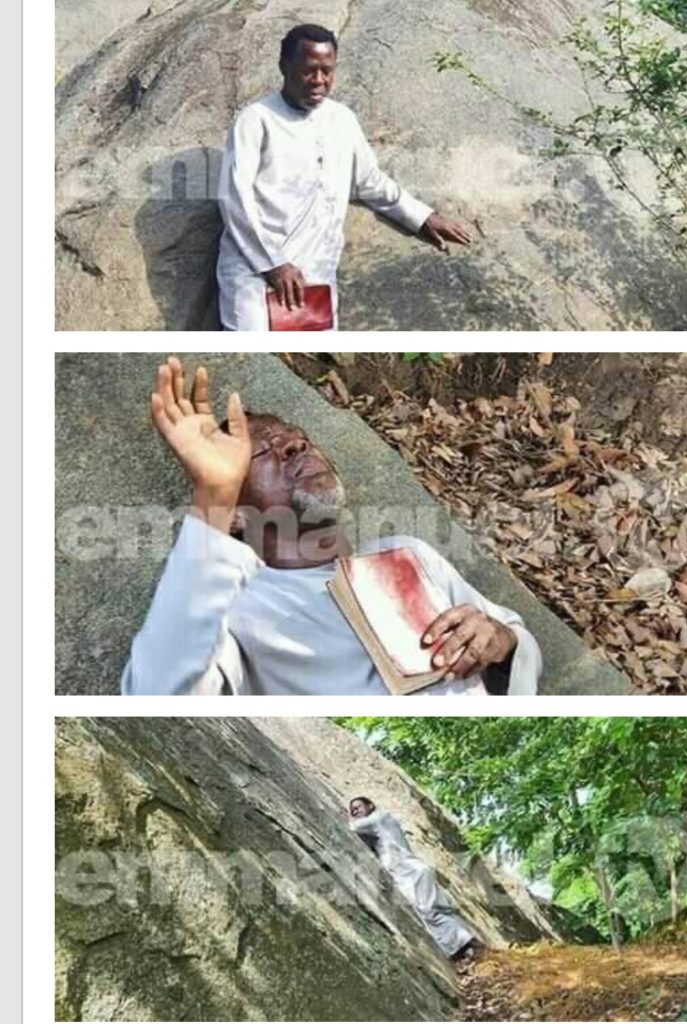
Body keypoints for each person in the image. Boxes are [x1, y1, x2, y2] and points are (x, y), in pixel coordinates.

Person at [121, 358, 542, 696]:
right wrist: (212, 498)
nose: (295, 444)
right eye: (260, 453)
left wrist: (501, 640)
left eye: (297, 435)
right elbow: (156, 693)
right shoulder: (233, 609)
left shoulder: (407, 552)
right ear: (235, 515)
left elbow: (520, 645)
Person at [216, 23, 472, 330]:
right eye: (309, 70)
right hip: (254, 275)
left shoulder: (342, 120)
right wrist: (273, 263)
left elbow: (369, 182)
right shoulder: (256, 120)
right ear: (284, 66)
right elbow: (234, 197)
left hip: (315, 275)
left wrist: (423, 217)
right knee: (253, 360)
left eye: (328, 71)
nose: (319, 81)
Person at [349, 796, 480, 960]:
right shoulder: (384, 822)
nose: (354, 811)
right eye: (352, 809)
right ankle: (460, 949)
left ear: (370, 806)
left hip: (409, 873)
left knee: (428, 911)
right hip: (413, 870)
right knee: (430, 910)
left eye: (358, 807)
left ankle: (469, 944)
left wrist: (347, 817)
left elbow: (352, 827)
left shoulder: (377, 818)